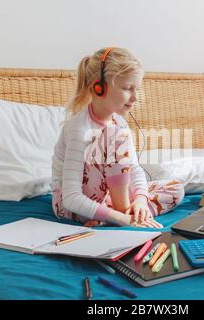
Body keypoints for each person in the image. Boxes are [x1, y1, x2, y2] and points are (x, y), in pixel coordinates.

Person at [51, 47, 185, 228]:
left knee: (176, 189)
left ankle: (118, 214)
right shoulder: (79, 129)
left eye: (137, 89)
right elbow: (71, 198)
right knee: (113, 135)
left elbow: (134, 169)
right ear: (99, 88)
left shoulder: (119, 122)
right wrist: (122, 219)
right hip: (71, 205)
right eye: (128, 88)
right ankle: (120, 215)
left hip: (108, 197)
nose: (135, 97)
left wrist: (140, 201)